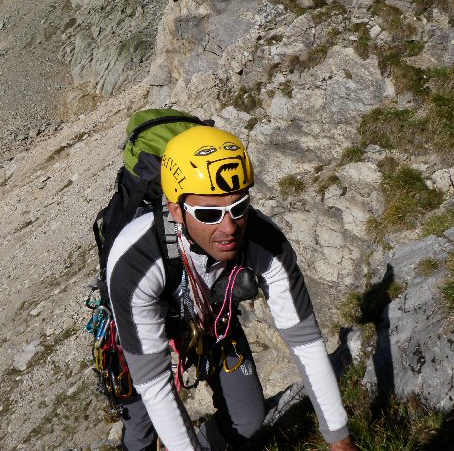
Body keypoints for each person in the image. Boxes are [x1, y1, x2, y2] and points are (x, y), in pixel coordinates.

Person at [107, 125, 357, 450]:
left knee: (248, 420)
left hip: (214, 321)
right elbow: (155, 386)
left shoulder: (264, 240)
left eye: (239, 208)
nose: (228, 228)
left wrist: (340, 439)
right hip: (142, 333)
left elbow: (305, 341)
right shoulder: (136, 260)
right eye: (209, 213)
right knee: (141, 432)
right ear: (176, 211)